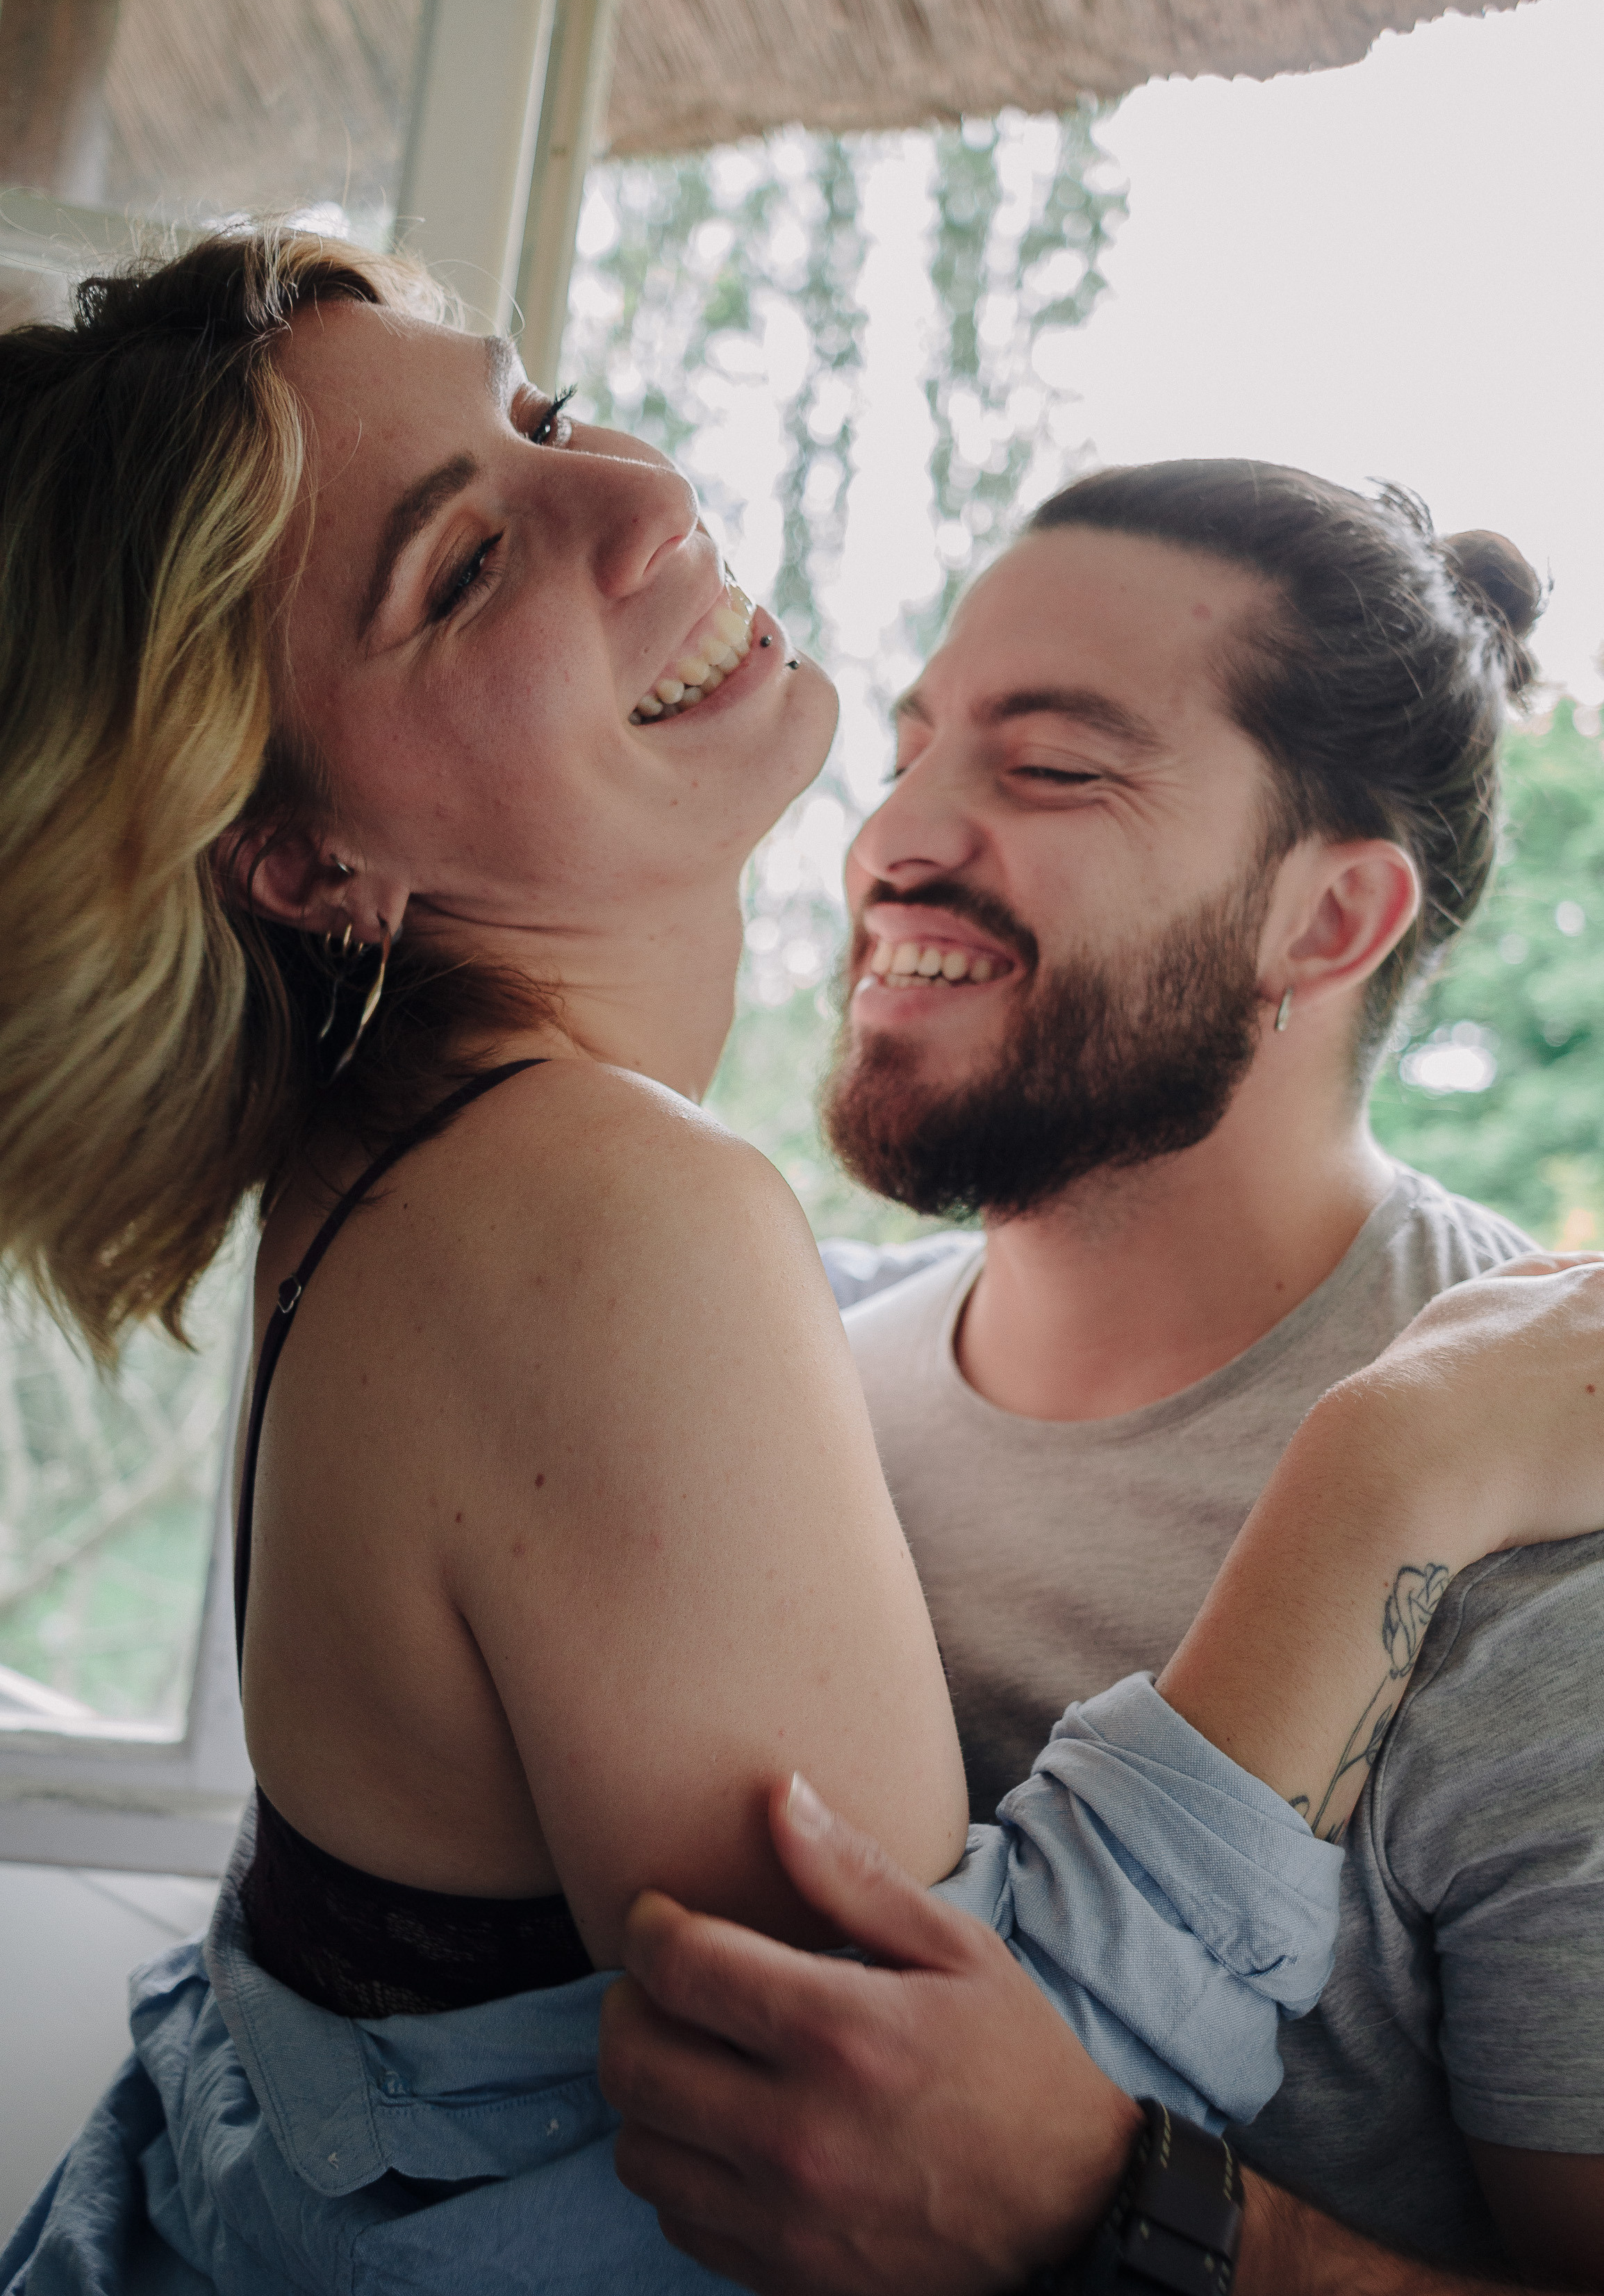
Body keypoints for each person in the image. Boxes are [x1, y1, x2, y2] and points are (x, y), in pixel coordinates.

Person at [0, 235, 1597, 2295]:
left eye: (546, 413)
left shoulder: (1547, 1562)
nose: (647, 489)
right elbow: (893, 2139)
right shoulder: (612, 1227)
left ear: (1334, 921)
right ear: (307, 862)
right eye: (462, 567)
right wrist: (1383, 1478)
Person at [600, 468, 1604, 2288]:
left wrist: (1113, 2201)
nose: (890, 834)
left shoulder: (1545, 1521)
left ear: (1329, 920)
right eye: (914, 749)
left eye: (1052, 767)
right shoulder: (794, 1368)